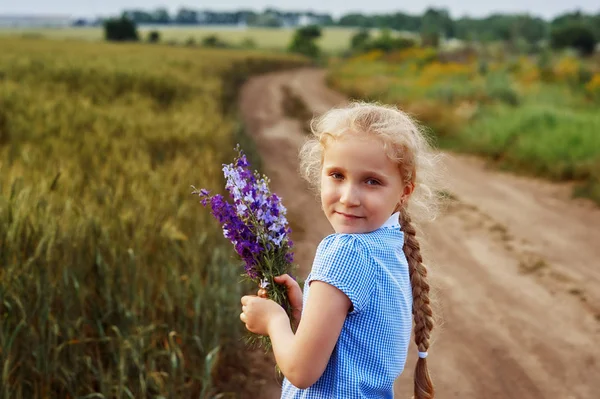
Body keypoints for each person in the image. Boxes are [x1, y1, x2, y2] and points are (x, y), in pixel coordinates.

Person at [240, 101, 440, 399]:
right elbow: (353, 342)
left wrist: (273, 321)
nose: (348, 197)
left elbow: (301, 372)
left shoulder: (346, 251)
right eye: (337, 175)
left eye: (371, 181)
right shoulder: (392, 247)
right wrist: (301, 314)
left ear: (404, 192)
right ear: (319, 174)